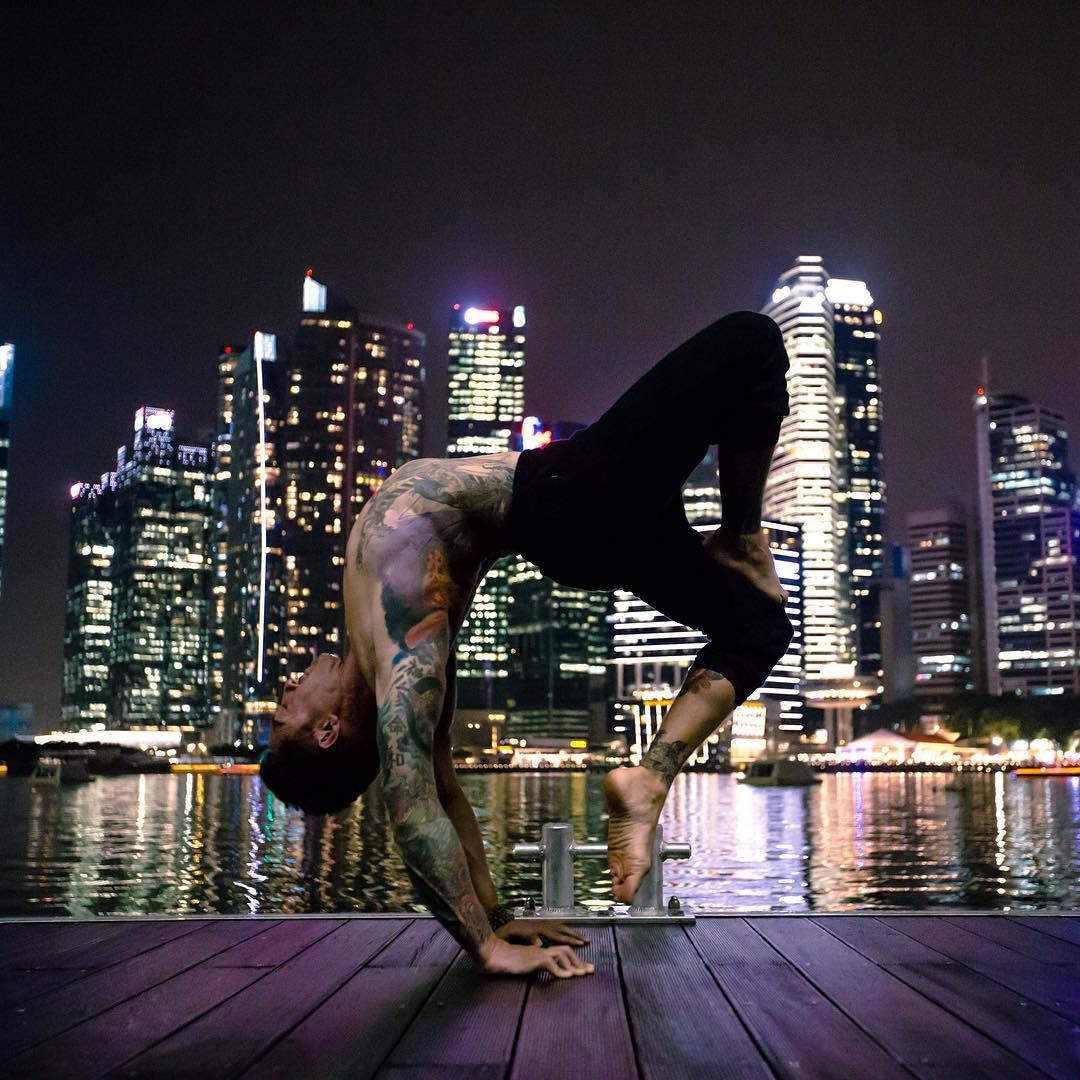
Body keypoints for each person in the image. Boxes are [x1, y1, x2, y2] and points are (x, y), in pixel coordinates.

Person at [261, 310, 793, 979]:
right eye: (287, 714)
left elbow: (447, 794)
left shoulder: (384, 649)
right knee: (751, 341)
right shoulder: (401, 655)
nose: (284, 692)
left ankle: (649, 775)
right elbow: (413, 805)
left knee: (762, 627)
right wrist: (484, 948)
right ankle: (741, 537)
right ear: (330, 730)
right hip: (576, 498)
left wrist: (500, 917)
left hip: (593, 520)